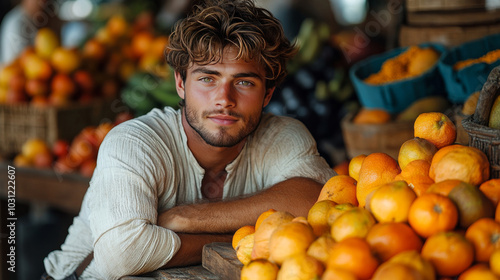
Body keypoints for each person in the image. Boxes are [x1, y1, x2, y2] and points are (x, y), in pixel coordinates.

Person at [43, 0, 336, 278]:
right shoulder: (135, 141)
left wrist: (189, 218)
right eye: (207, 78)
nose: (224, 100)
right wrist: (239, 237)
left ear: (268, 94)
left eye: (244, 82)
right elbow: (123, 255)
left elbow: (322, 202)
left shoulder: (283, 135)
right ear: (181, 83)